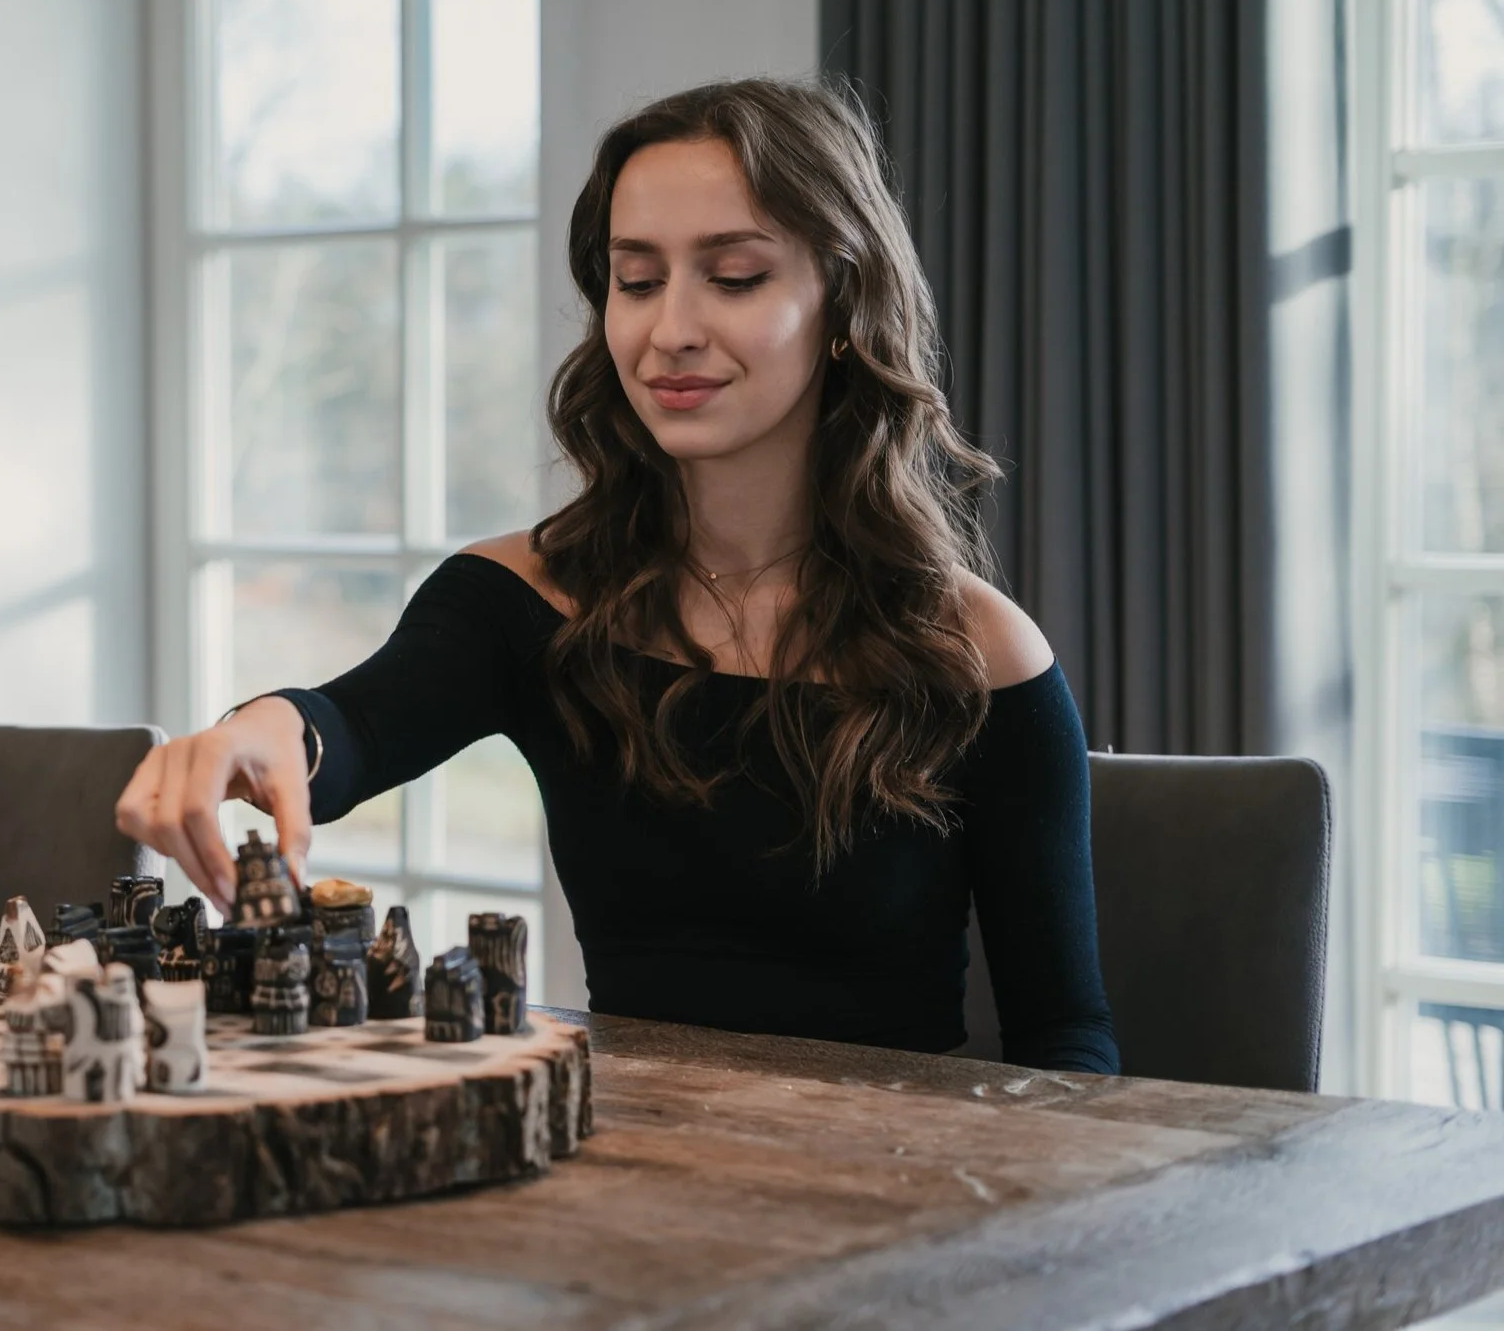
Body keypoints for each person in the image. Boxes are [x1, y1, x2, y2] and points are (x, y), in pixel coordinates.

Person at [115, 77, 1117, 1074]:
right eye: (636, 281)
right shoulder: (524, 598)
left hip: (901, 1189)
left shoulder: (975, 649)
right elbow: (352, 726)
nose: (668, 329)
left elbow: (1065, 1038)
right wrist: (258, 731)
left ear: (843, 306)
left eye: (732, 276)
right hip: (626, 1173)